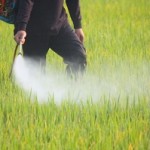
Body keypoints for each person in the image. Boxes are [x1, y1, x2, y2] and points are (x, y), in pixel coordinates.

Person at [14, 0, 87, 78]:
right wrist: (22, 27)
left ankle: (72, 88)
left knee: (78, 56)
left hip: (59, 26)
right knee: (36, 76)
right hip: (33, 30)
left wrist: (78, 25)